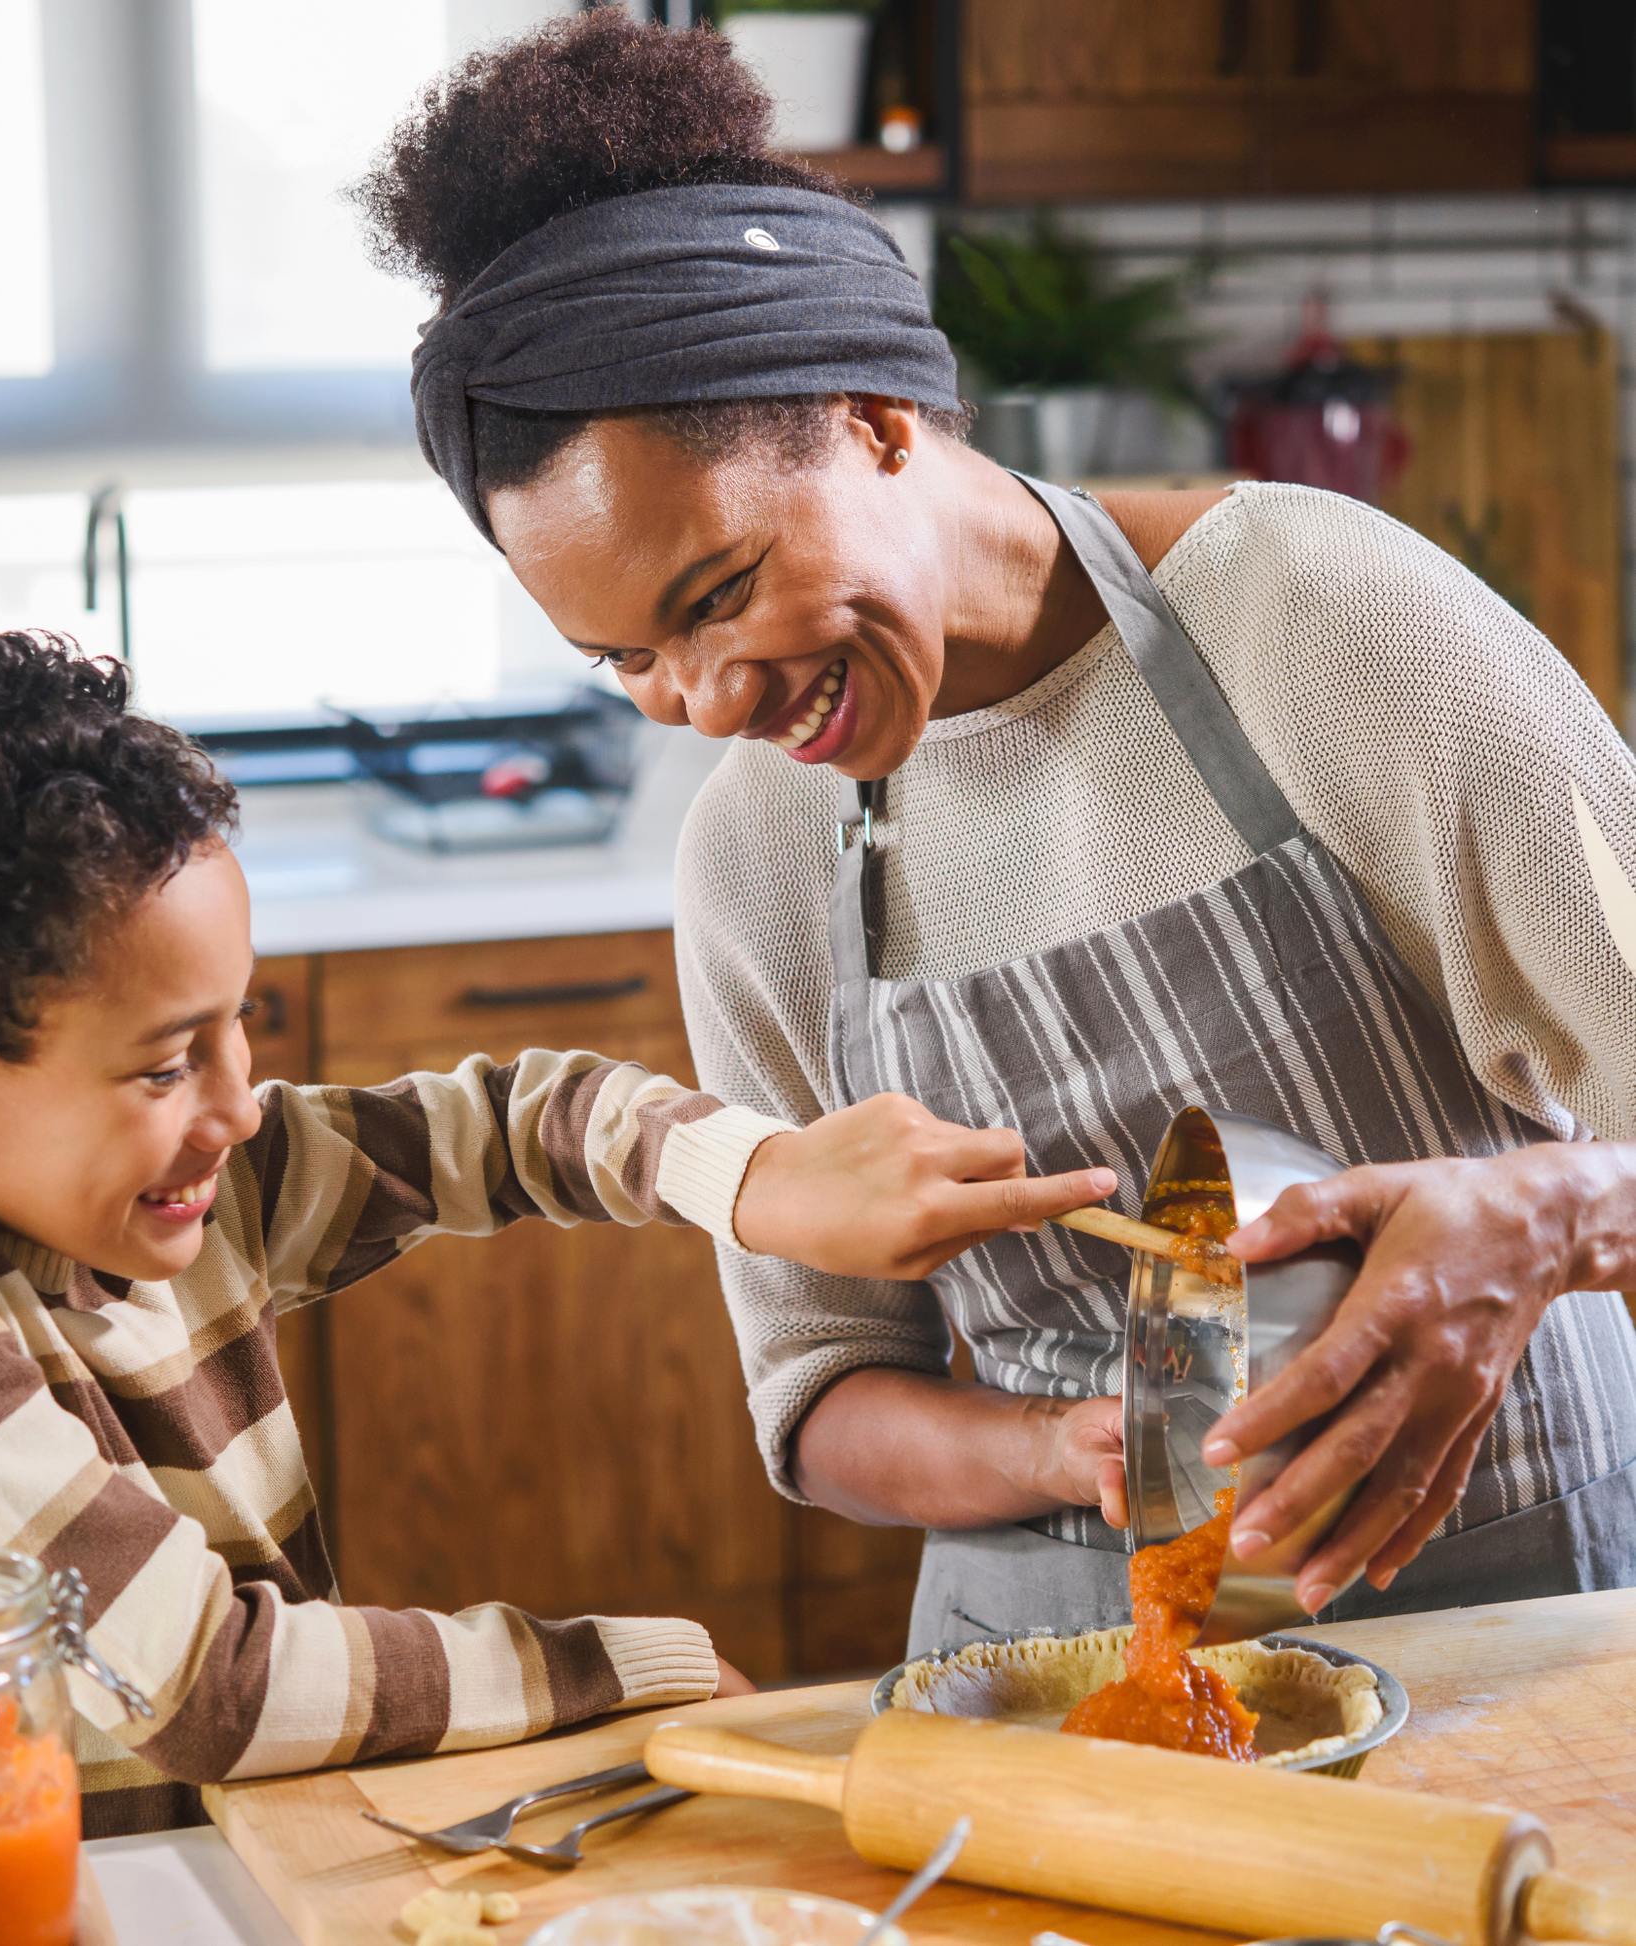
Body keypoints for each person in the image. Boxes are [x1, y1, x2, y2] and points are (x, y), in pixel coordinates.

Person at [357, 10, 1636, 1655]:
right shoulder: (752, 861)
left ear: (878, 417)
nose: (705, 699)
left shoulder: (1315, 625)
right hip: (1036, 1660)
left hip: (1502, 1610)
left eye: (720, 593)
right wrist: (1053, 1450)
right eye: (627, 661)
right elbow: (823, 1395)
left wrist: (1543, 1217)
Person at [0, 620, 1114, 1836]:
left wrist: (757, 1179)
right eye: (164, 1061)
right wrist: (624, 1668)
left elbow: (507, 1124)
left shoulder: (105, 1169)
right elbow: (209, 1683)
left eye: (235, 1026)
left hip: (220, 1858)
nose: (240, 1106)